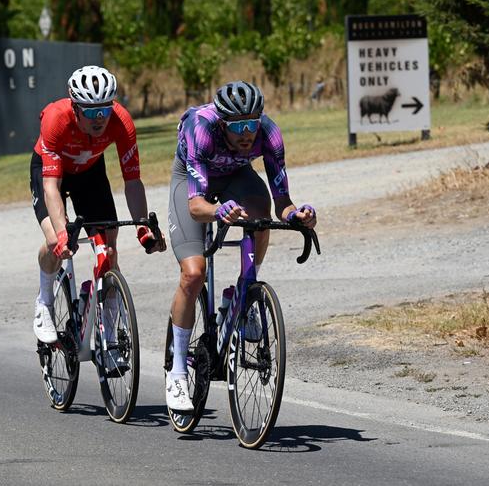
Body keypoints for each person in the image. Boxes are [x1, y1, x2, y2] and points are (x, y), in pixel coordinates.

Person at [166, 80, 317, 411]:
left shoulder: (269, 133)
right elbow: (196, 206)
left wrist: (299, 215)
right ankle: (177, 369)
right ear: (222, 122)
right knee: (193, 274)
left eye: (252, 122)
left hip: (237, 175)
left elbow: (282, 202)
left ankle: (244, 294)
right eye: (238, 125)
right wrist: (217, 211)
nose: (247, 132)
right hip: (192, 185)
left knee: (260, 218)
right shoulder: (201, 128)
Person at [30, 65, 166, 363]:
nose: (99, 119)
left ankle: (109, 335)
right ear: (75, 108)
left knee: (109, 246)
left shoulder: (122, 121)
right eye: (91, 112)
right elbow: (51, 186)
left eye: (104, 110)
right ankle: (44, 301)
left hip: (90, 174)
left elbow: (133, 181)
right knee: (55, 240)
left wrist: (143, 227)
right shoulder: (56, 119)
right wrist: (63, 232)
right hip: (52, 173)